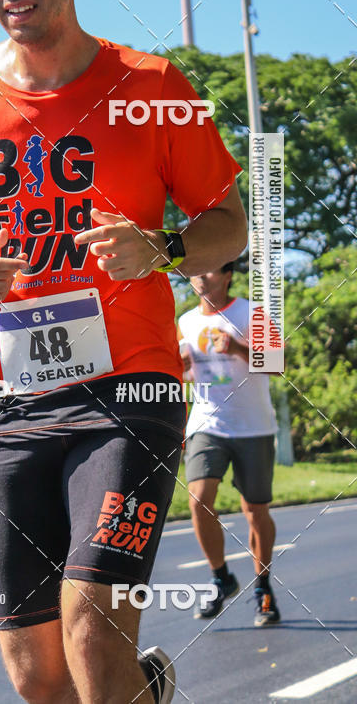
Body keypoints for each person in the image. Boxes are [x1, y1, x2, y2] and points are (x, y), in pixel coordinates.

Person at [0, 0, 247, 703]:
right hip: (8, 398)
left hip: (130, 390)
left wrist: (161, 247)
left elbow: (229, 222)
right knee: (38, 678)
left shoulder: (153, 86)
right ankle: (146, 692)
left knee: (92, 630)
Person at [178, 263, 281, 627]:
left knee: (255, 511)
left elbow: (277, 363)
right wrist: (180, 366)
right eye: (195, 272)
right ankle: (221, 577)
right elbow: (183, 374)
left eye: (207, 271)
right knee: (198, 499)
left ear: (227, 276)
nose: (200, 277)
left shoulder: (252, 313)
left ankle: (263, 588)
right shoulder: (185, 321)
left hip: (254, 427)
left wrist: (237, 347)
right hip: (207, 423)